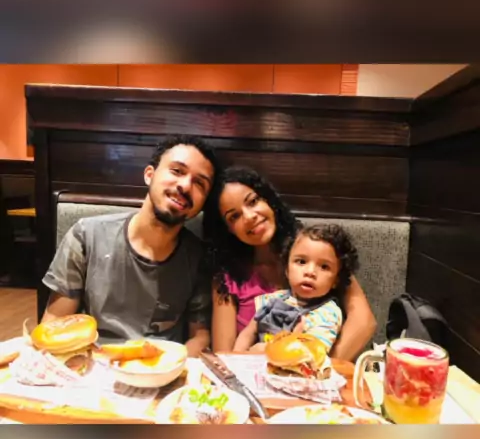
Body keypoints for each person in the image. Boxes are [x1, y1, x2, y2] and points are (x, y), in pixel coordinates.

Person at [42, 135, 218, 356]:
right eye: (177, 171)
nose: (185, 185)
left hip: (161, 366)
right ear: (149, 175)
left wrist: (172, 364)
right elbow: (54, 326)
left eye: (200, 183)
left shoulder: (199, 258)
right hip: (94, 363)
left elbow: (200, 337)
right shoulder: (86, 236)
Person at [203, 166, 377, 360]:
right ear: (228, 229)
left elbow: (364, 321)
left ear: (268, 200)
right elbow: (224, 355)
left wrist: (315, 368)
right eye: (234, 216)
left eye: (253, 201)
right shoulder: (227, 276)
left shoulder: (315, 248)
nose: (250, 216)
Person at [233, 223, 358, 353]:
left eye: (324, 267)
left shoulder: (327, 314)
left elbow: (312, 352)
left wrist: (265, 350)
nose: (310, 272)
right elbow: (248, 333)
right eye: (301, 261)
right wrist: (236, 356)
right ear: (287, 269)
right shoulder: (273, 299)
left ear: (336, 280)